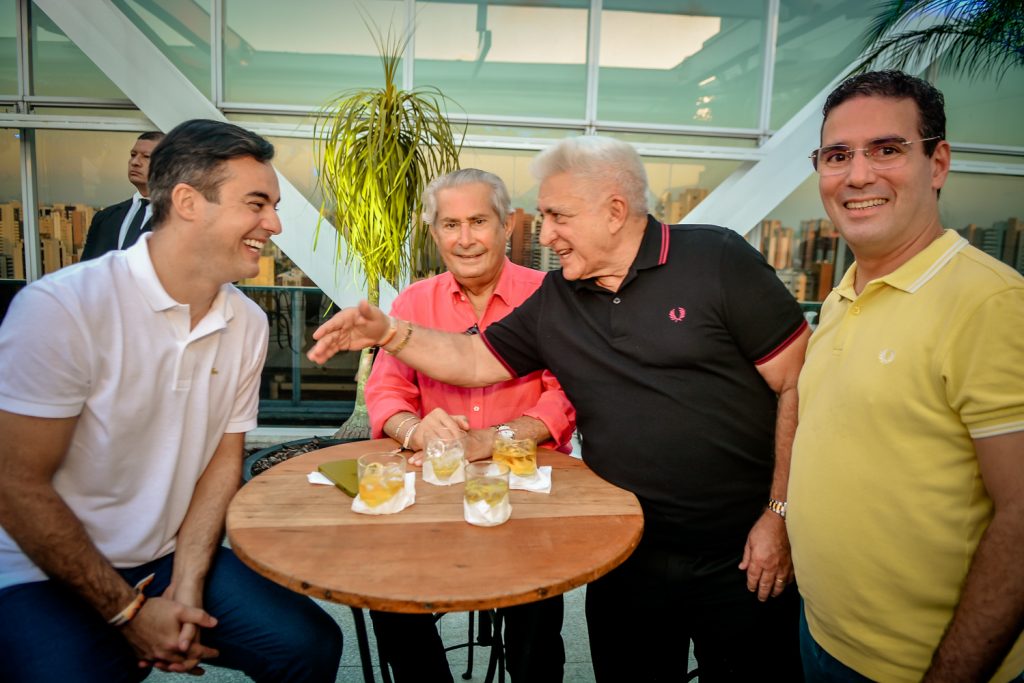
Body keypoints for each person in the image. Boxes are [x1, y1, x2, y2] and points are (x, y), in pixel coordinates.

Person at [308, 136, 810, 681]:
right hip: (624, 548)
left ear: (615, 211)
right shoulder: (558, 296)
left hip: (740, 550)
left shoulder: (717, 258)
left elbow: (799, 385)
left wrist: (779, 515)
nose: (545, 235)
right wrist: (390, 331)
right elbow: (475, 358)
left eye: (558, 216)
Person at [0, 119, 343, 683]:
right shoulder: (63, 308)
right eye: (257, 204)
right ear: (187, 201)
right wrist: (128, 611)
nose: (274, 224)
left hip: (163, 558)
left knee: (307, 644)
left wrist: (185, 583)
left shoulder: (248, 323)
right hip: (41, 570)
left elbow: (220, 462)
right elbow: (17, 487)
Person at [788, 70, 1024, 683]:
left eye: (886, 150)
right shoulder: (842, 297)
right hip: (823, 636)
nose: (858, 175)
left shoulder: (990, 304)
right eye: (837, 156)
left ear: (937, 163)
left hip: (919, 667)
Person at [365, 168, 576, 683]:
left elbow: (565, 395)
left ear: (506, 226)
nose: (464, 239)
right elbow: (387, 392)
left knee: (537, 615)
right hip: (434, 489)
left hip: (526, 488)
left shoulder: (552, 295)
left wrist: (496, 439)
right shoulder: (413, 302)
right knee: (389, 602)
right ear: (434, 232)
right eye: (450, 224)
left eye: (478, 221)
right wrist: (415, 431)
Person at [81, 131, 164, 260]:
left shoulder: (180, 219)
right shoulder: (104, 218)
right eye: (133, 155)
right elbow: (86, 269)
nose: (135, 162)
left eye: (146, 156)